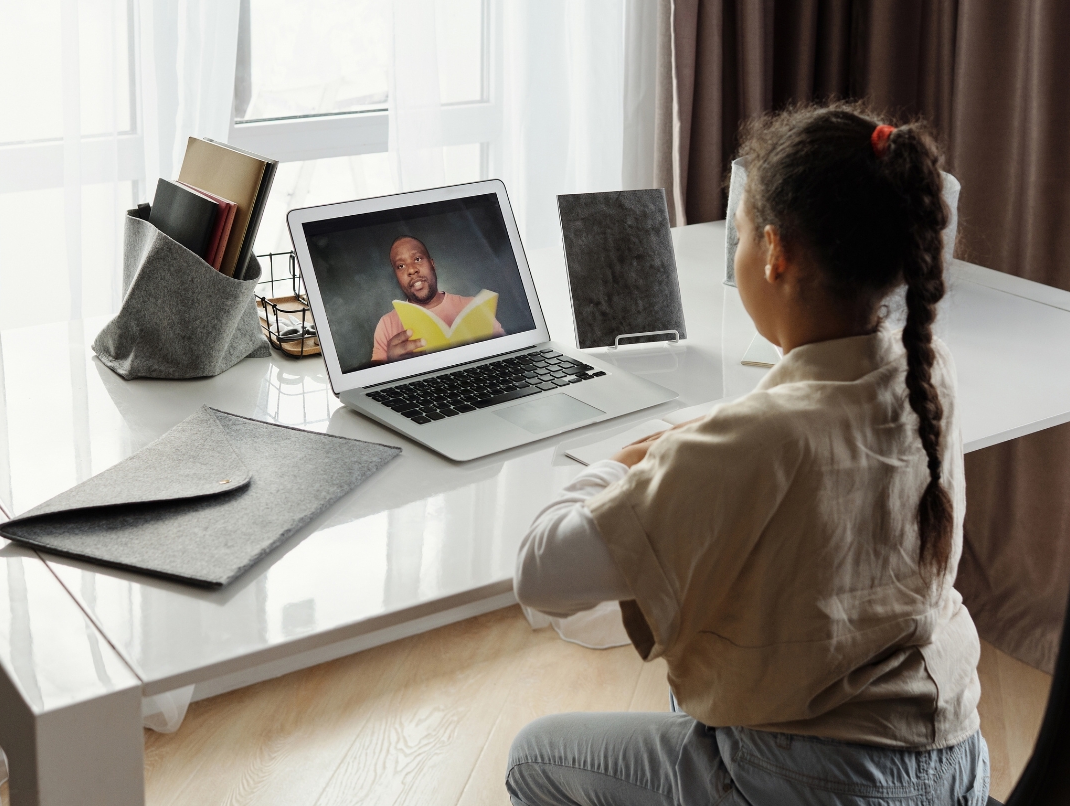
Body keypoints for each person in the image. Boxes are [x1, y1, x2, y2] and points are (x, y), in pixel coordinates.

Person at [507, 104, 990, 805]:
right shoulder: (927, 372)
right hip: (952, 761)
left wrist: (624, 457)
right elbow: (798, 431)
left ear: (775, 252)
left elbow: (540, 571)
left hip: (818, 783)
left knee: (532, 759)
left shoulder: (751, 446)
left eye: (737, 238)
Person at [372, 235, 505, 363]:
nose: (411, 270)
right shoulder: (386, 325)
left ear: (432, 264)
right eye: (401, 266)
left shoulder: (473, 307)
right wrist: (390, 365)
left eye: (417, 259)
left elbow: (506, 355)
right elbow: (374, 380)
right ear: (397, 277)